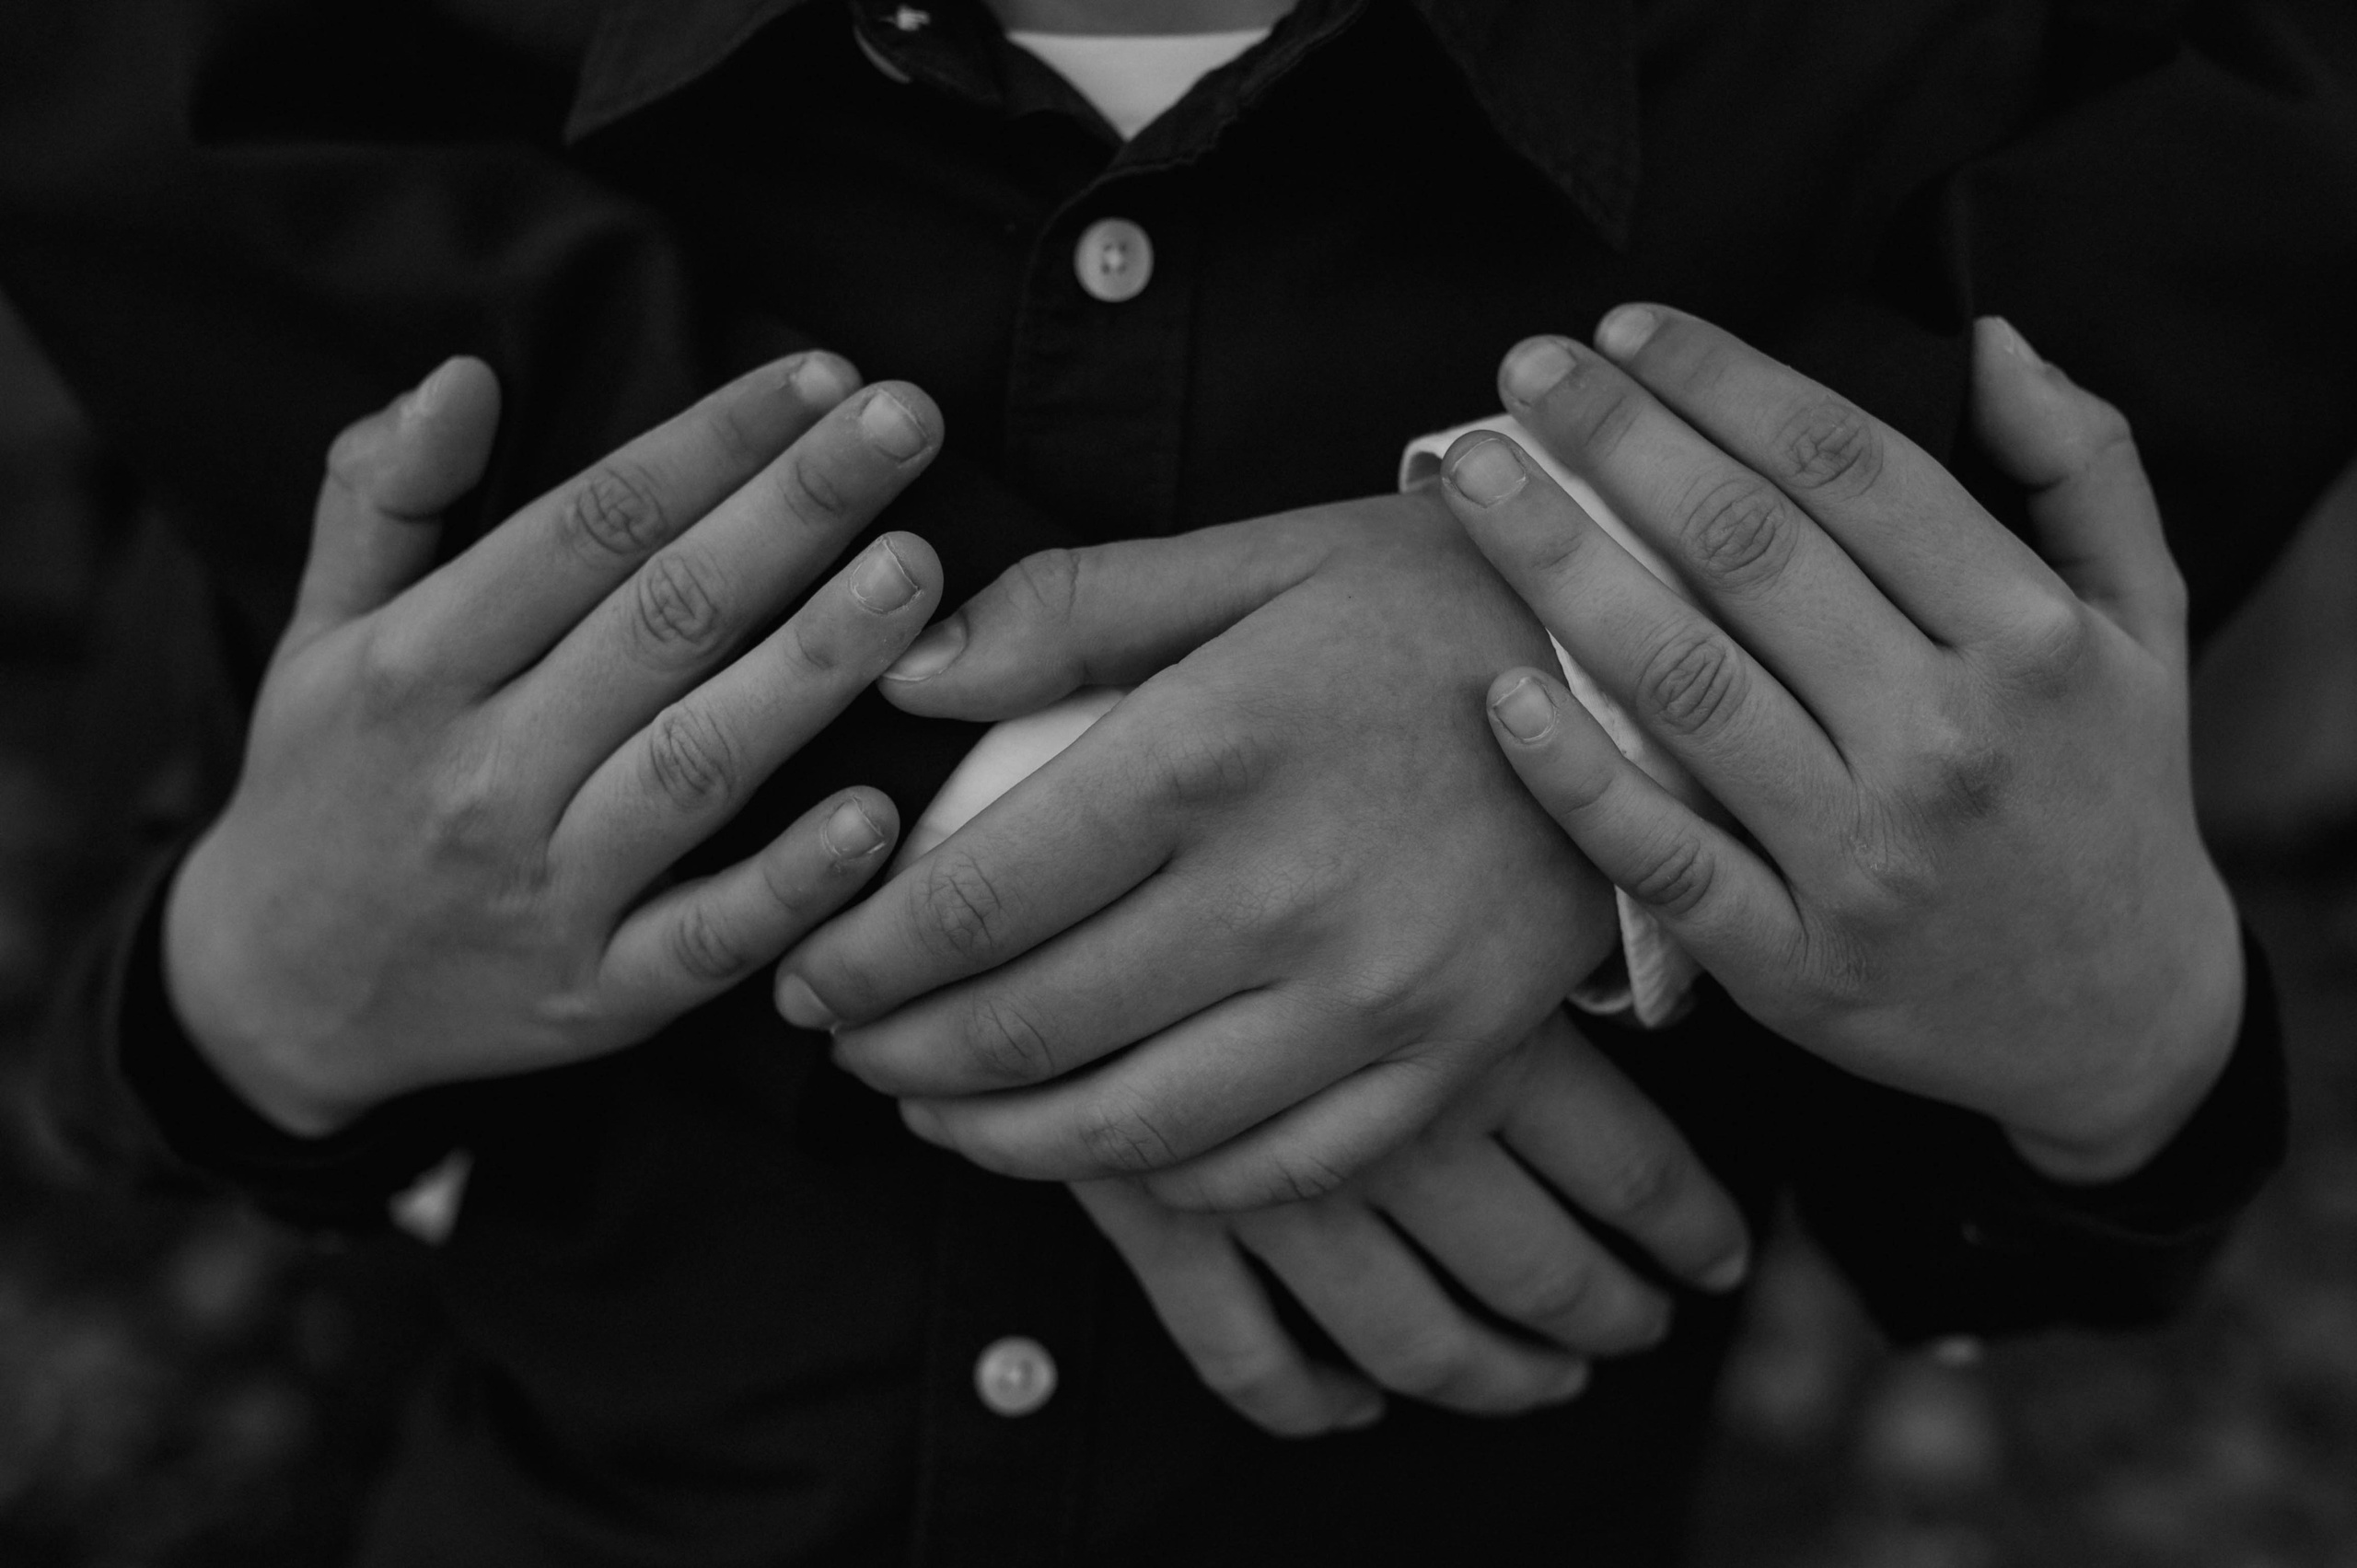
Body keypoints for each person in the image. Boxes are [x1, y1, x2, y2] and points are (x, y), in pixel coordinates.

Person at [0, 0, 2349, 1561]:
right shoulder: (338, 132)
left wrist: (1608, 671)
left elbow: (1995, 1188)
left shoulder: (1978, 137)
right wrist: (258, 1002)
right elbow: (201, 1044)